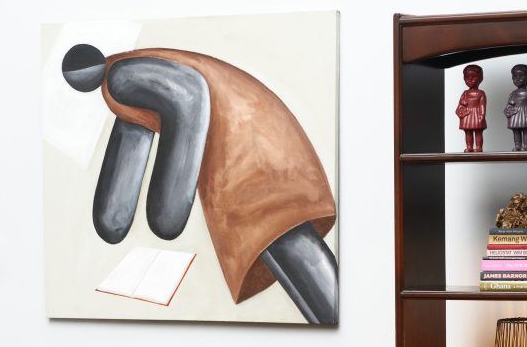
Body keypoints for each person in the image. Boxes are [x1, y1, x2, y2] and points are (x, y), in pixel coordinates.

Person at [61, 43, 338, 324]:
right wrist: (114, 221)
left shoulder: (121, 77)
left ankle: (337, 322)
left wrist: (168, 213)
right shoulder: (121, 84)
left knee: (285, 234)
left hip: (255, 149)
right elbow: (130, 151)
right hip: (235, 159)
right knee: (278, 251)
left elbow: (190, 93)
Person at [455, 64, 486, 153]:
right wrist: (462, 103)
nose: (470, 79)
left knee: (478, 132)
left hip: (477, 114)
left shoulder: (481, 93)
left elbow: (482, 106)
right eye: (467, 77)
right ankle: (469, 147)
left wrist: (482, 117)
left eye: (473, 77)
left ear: (480, 78)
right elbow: (460, 103)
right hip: (467, 115)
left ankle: (479, 147)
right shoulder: (465, 93)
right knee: (468, 132)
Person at [504, 64, 527, 152]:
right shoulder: (513, 93)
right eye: (515, 76)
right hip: (515, 114)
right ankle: (517, 145)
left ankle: (525, 146)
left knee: (526, 130)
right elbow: (509, 105)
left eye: (521, 76)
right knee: (516, 130)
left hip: (525, 114)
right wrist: (508, 108)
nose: (517, 79)